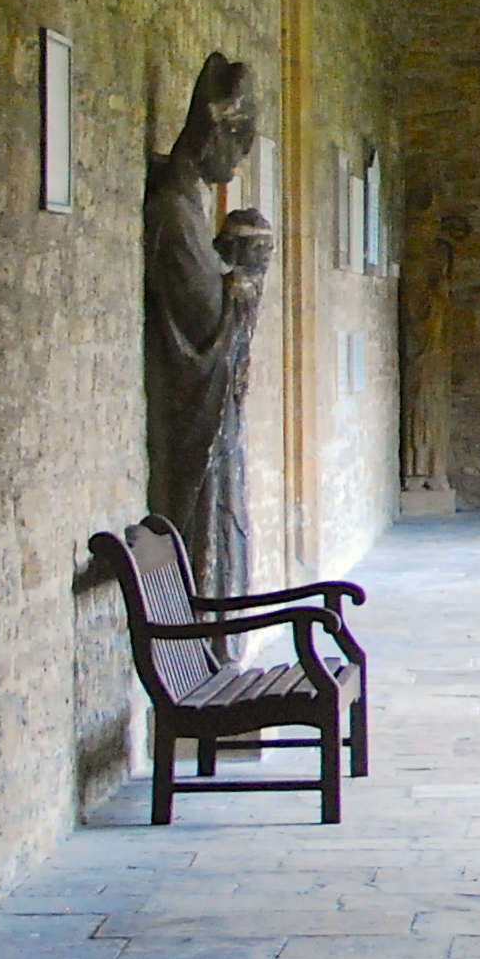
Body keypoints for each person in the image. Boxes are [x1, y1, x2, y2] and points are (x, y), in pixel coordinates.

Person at [145, 54, 272, 594]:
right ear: (212, 131)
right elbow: (204, 326)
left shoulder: (188, 203)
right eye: (240, 140)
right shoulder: (177, 209)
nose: (243, 155)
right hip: (199, 430)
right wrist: (245, 285)